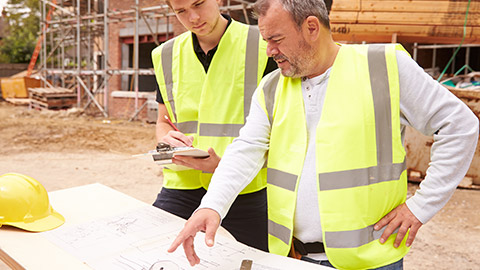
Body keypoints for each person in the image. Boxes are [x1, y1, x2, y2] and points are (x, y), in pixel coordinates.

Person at [168, 0, 479, 269]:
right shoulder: (272, 88)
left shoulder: (383, 67)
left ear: (312, 27)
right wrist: (212, 205)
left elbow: (460, 125)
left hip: (369, 261)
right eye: (266, 40)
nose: (269, 51)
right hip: (292, 258)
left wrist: (421, 206)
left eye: (276, 39)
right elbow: (246, 149)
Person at [150, 0, 276, 252]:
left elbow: (283, 128)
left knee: (264, 259)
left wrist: (224, 165)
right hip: (182, 184)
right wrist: (167, 139)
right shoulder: (164, 55)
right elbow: (163, 123)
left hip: (244, 184)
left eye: (199, 4)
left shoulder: (263, 45)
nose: (193, 17)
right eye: (181, 11)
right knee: (154, 251)